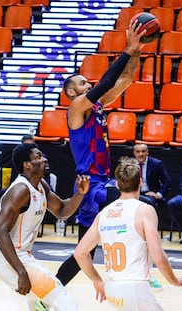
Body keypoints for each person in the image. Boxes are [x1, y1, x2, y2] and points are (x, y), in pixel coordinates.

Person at [56, 20, 145, 286]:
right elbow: (106, 83)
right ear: (72, 92)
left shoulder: (96, 107)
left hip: (101, 180)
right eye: (83, 83)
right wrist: (127, 49)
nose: (88, 83)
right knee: (135, 207)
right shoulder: (76, 109)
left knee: (85, 250)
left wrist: (138, 48)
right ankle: (138, 272)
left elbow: (126, 79)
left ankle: (48, 294)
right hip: (89, 184)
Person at [73, 157, 182, 310]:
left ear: (117, 184)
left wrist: (96, 280)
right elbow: (159, 257)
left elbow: (80, 253)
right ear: (140, 182)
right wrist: (174, 280)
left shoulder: (103, 214)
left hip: (112, 288)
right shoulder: (144, 210)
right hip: (135, 287)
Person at [0, 143, 90, 310]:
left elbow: (62, 210)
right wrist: (21, 271)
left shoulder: (41, 185)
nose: (44, 159)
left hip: (21, 256)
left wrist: (80, 194)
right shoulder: (20, 190)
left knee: (37, 304)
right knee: (65, 301)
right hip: (9, 258)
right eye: (38, 157)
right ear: (27, 165)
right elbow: (0, 232)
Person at [132, 143, 172, 289]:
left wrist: (158, 194)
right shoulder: (129, 165)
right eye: (138, 151)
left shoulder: (156, 163)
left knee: (148, 202)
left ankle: (148, 232)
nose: (141, 154)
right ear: (134, 153)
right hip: (132, 195)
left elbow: (167, 181)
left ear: (147, 152)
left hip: (150, 195)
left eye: (143, 151)